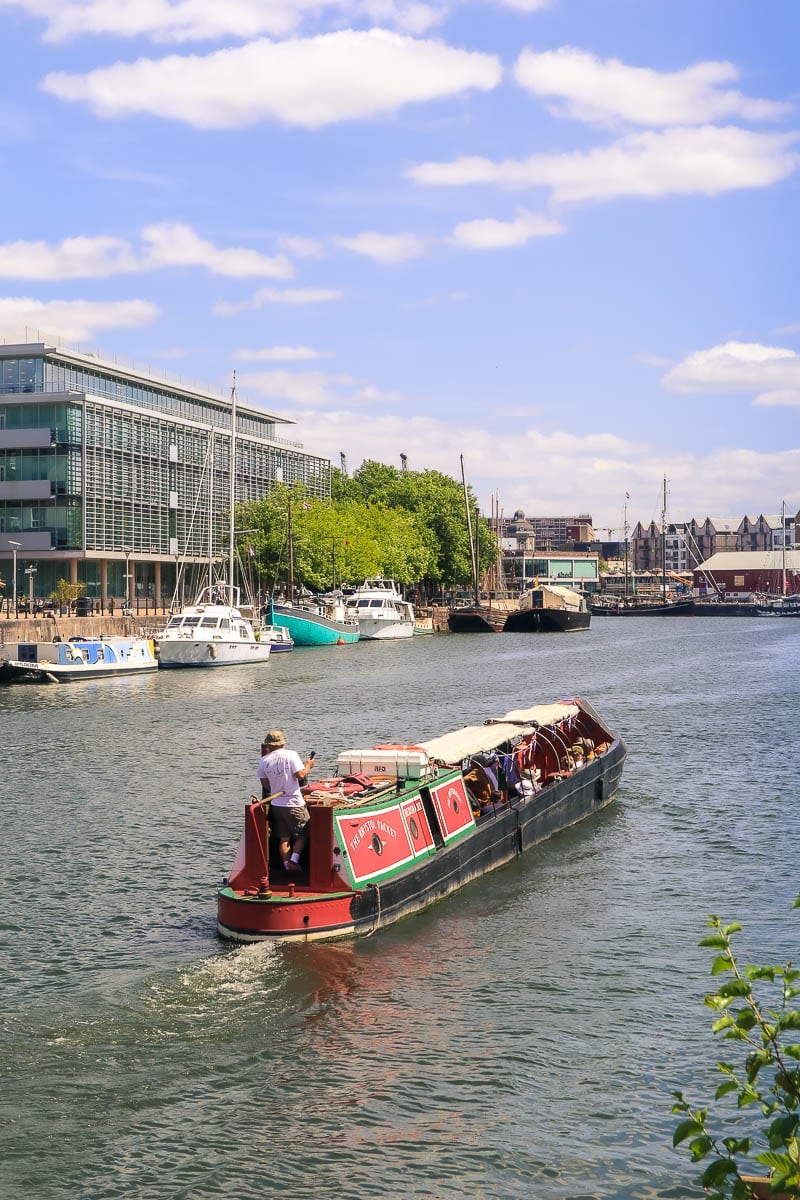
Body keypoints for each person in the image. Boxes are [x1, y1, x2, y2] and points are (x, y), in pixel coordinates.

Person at [258, 730, 315, 873]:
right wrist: (308, 765)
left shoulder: (263, 761)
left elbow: (266, 785)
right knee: (304, 832)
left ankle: (285, 864)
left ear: (268, 745)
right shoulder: (291, 755)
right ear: (282, 742)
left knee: (284, 836)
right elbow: (300, 775)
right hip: (294, 802)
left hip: (276, 804)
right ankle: (293, 861)